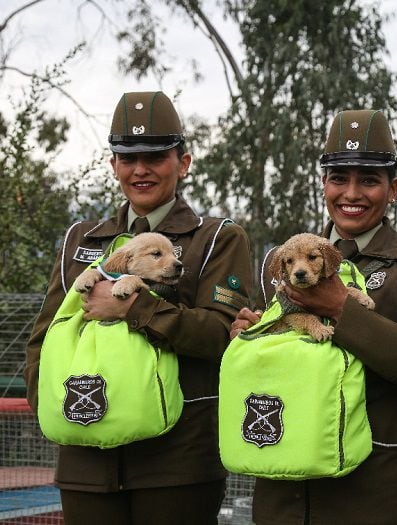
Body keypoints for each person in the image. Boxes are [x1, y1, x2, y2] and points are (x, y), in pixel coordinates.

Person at [24, 91, 254, 524]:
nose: (140, 169)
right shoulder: (81, 240)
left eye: (155, 156)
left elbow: (220, 337)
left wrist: (133, 308)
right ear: (113, 166)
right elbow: (44, 338)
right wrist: (55, 407)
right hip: (85, 458)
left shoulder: (217, 240)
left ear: (183, 163)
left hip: (176, 466)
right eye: (127, 158)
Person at [230, 109, 397, 524]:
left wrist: (339, 308)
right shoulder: (278, 263)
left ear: (393, 190)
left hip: (374, 495)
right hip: (286, 491)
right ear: (323, 184)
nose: (351, 193)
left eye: (369, 180)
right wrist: (252, 335)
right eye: (339, 178)